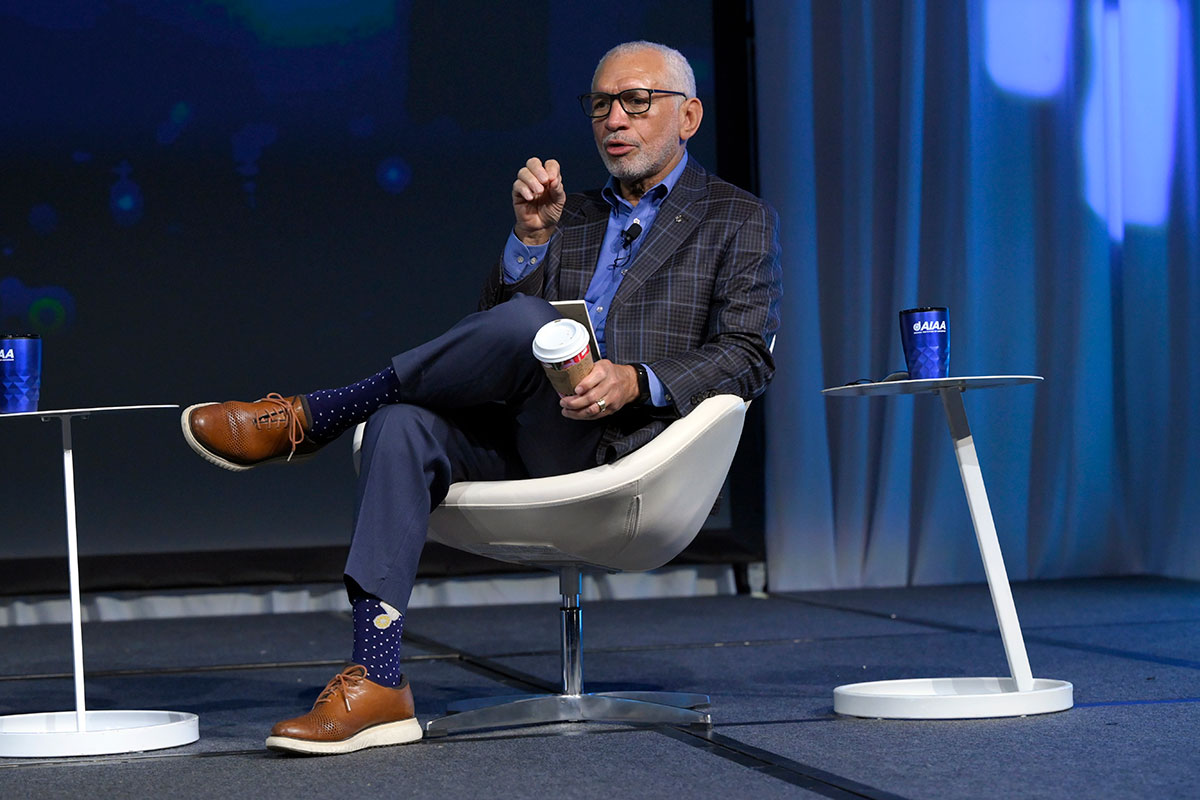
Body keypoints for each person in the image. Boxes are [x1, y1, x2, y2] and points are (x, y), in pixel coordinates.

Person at [182, 40, 782, 755]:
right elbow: (484, 340)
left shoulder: (734, 218)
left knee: (533, 326)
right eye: (599, 104)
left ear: (688, 116)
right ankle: (377, 680)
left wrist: (636, 378)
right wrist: (528, 245)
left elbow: (749, 355)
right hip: (524, 431)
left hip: (624, 449)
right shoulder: (573, 213)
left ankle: (317, 414)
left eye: (635, 101)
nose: (613, 119)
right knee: (403, 421)